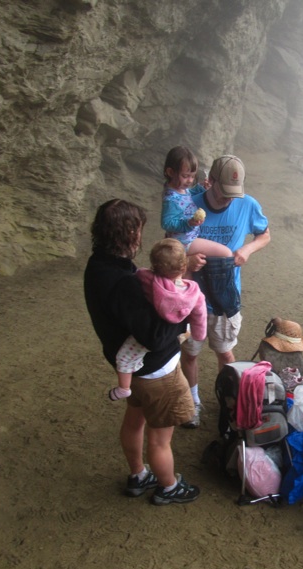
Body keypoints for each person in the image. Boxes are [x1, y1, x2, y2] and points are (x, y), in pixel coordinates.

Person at [84, 199, 200, 505]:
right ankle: (168, 486)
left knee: (135, 420)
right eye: (138, 230)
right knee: (160, 439)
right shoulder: (124, 282)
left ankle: (138, 474)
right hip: (156, 372)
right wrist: (183, 318)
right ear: (129, 234)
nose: (140, 236)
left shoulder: (98, 266)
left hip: (130, 369)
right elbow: (154, 336)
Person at [180, 154, 271, 428]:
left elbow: (264, 234)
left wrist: (247, 249)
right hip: (192, 297)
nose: (229, 199)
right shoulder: (189, 206)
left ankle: (229, 402)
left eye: (235, 193)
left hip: (225, 297)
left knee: (226, 353)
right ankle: (193, 402)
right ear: (211, 182)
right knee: (190, 353)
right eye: (223, 192)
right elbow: (169, 248)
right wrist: (187, 262)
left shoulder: (248, 205)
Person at [108, 238, 207, 402]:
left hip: (150, 333)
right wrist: (199, 335)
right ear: (184, 266)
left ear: (154, 265)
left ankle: (124, 388)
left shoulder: (145, 277)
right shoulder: (194, 292)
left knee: (124, 357)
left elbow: (136, 276)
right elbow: (200, 316)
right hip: (174, 333)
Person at [160, 146, 233, 261]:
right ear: (170, 172)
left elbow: (187, 194)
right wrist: (188, 223)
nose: (190, 180)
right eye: (185, 176)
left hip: (185, 239)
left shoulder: (179, 189)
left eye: (192, 176)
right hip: (184, 242)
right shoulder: (171, 199)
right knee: (226, 253)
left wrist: (200, 188)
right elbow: (166, 223)